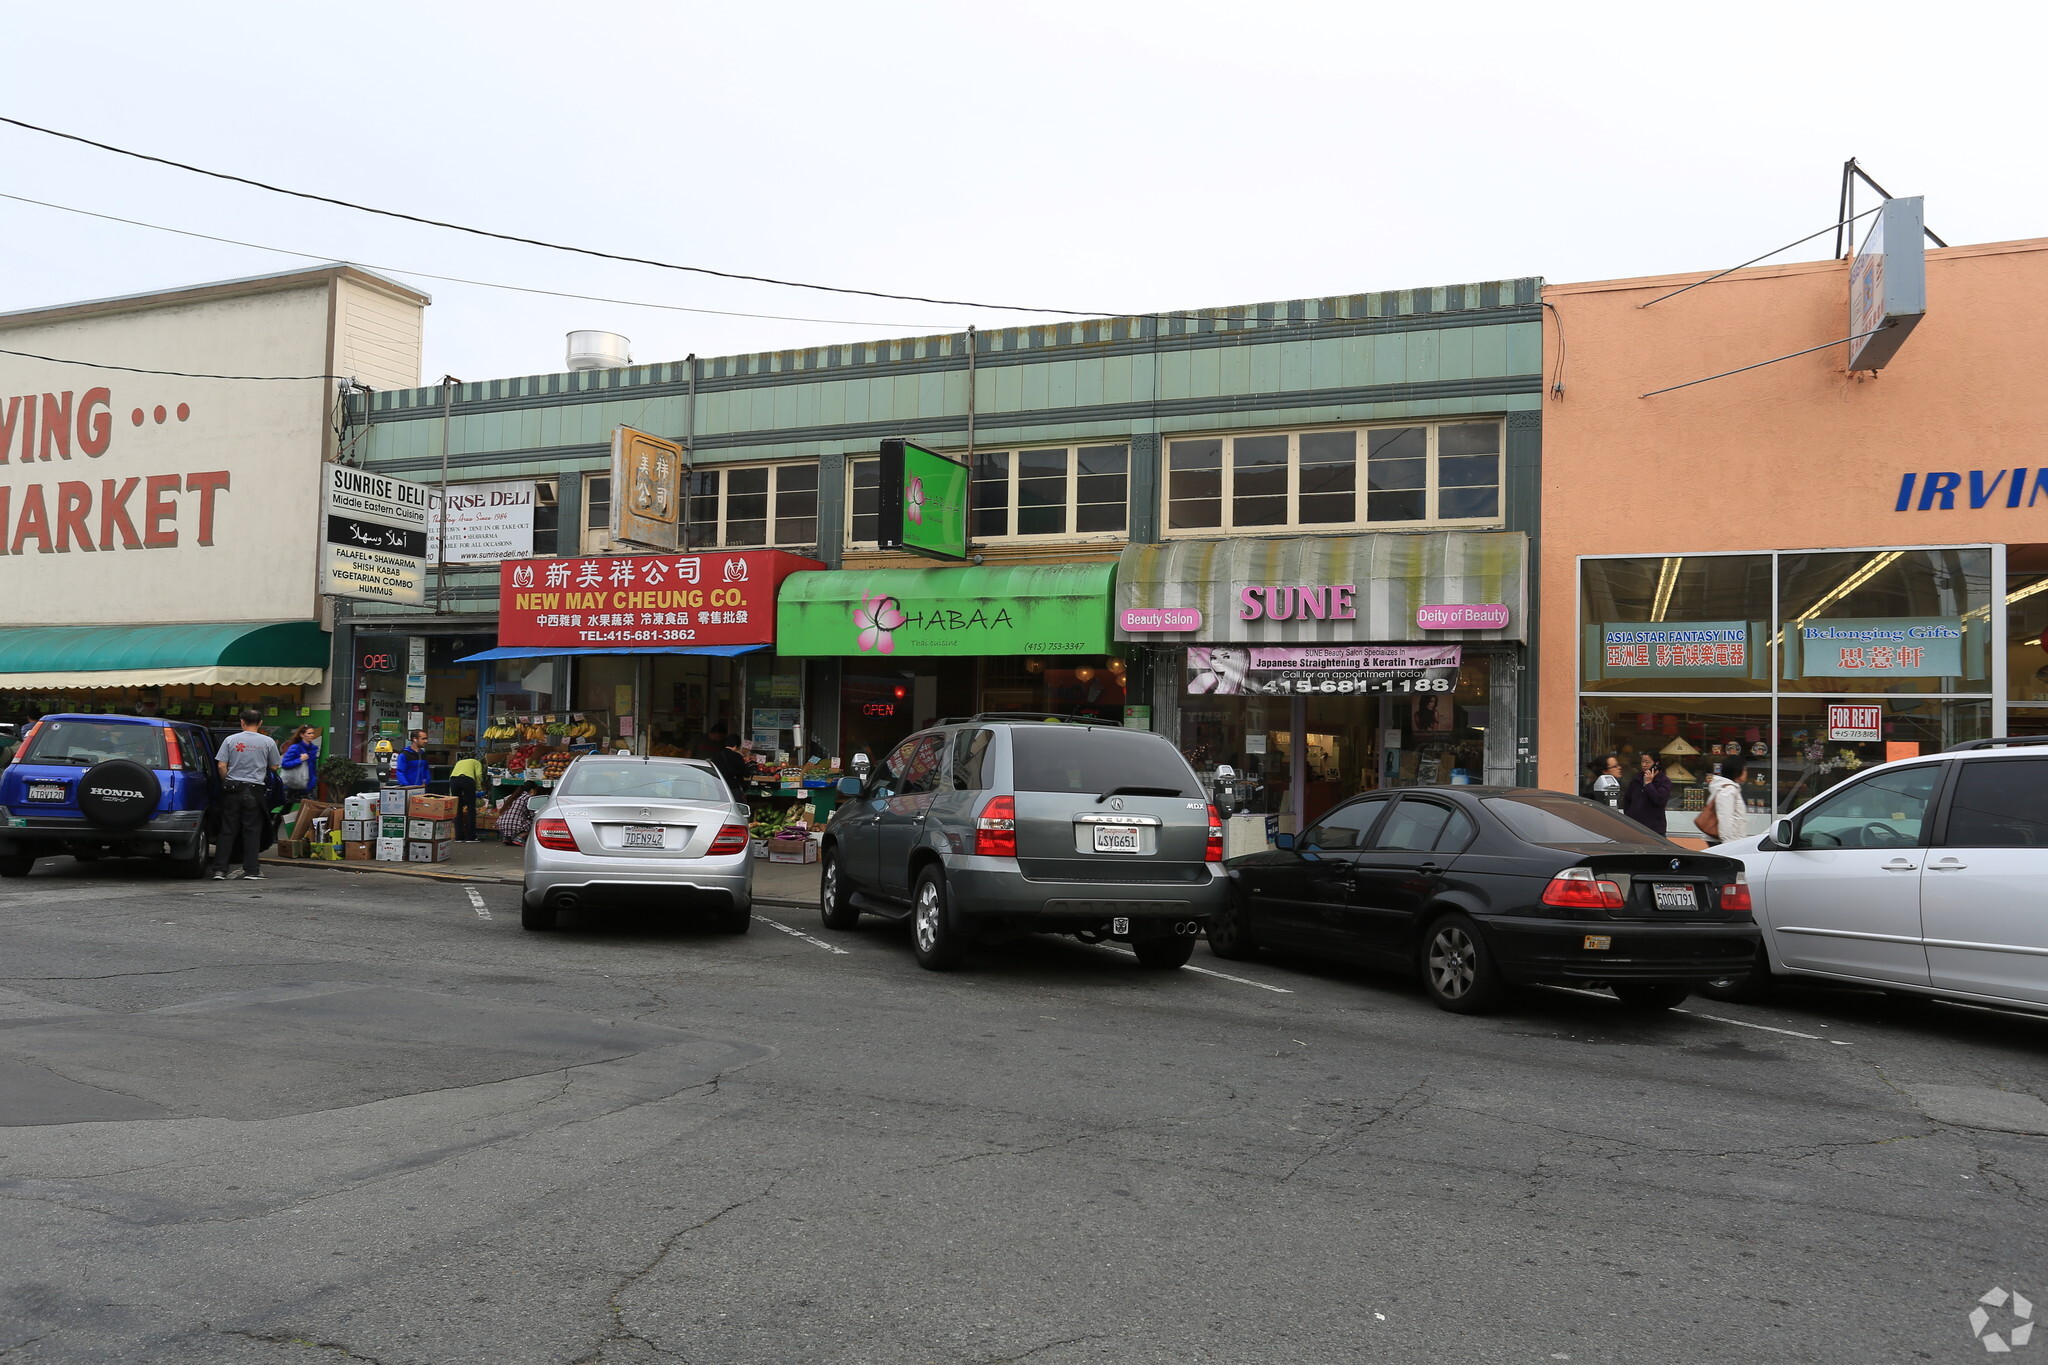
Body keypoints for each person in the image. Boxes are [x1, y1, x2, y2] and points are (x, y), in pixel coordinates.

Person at [213, 707, 282, 880]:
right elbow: (274, 766)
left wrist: (227, 781)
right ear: (260, 723)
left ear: (241, 722)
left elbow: (221, 765)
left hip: (232, 789)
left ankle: (220, 870)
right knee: (252, 830)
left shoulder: (230, 740)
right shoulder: (268, 741)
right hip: (254, 790)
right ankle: (251, 870)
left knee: (227, 830)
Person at [1701, 754, 1749, 846]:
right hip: (1724, 842)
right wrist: (1728, 844)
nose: (1746, 773)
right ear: (1737, 771)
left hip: (1728, 840)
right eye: (1744, 770)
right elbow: (1725, 817)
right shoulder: (1728, 790)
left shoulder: (1729, 788)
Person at [1623, 752, 1671, 837]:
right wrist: (1629, 815)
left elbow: (1659, 800)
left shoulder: (1663, 781)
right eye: (1642, 762)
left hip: (1654, 829)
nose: (1644, 765)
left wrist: (1649, 784)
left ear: (1656, 763)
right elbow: (1627, 800)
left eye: (1647, 762)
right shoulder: (1637, 779)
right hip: (1635, 826)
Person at [705, 723, 751, 801]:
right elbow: (746, 774)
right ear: (736, 746)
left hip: (718, 787)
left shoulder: (716, 755)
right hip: (733, 788)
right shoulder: (737, 756)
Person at [449, 751, 485, 842]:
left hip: (454, 781)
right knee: (471, 808)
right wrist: (479, 788)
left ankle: (459, 836)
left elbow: (453, 774)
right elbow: (478, 775)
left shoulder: (459, 762)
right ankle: (470, 836)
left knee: (458, 808)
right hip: (467, 780)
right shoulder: (477, 762)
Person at [280, 725, 320, 799]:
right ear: (302, 735)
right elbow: (285, 764)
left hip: (309, 783)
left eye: (313, 733)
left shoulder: (313, 748)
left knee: (310, 806)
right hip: (294, 783)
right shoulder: (295, 747)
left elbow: (312, 766)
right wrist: (300, 760)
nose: (312, 735)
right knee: (287, 805)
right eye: (309, 733)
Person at [497, 781, 542, 848]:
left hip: (501, 824)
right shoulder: (528, 797)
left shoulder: (513, 796)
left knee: (516, 820)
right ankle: (519, 837)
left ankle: (507, 837)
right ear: (532, 790)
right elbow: (532, 814)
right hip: (514, 825)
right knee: (535, 822)